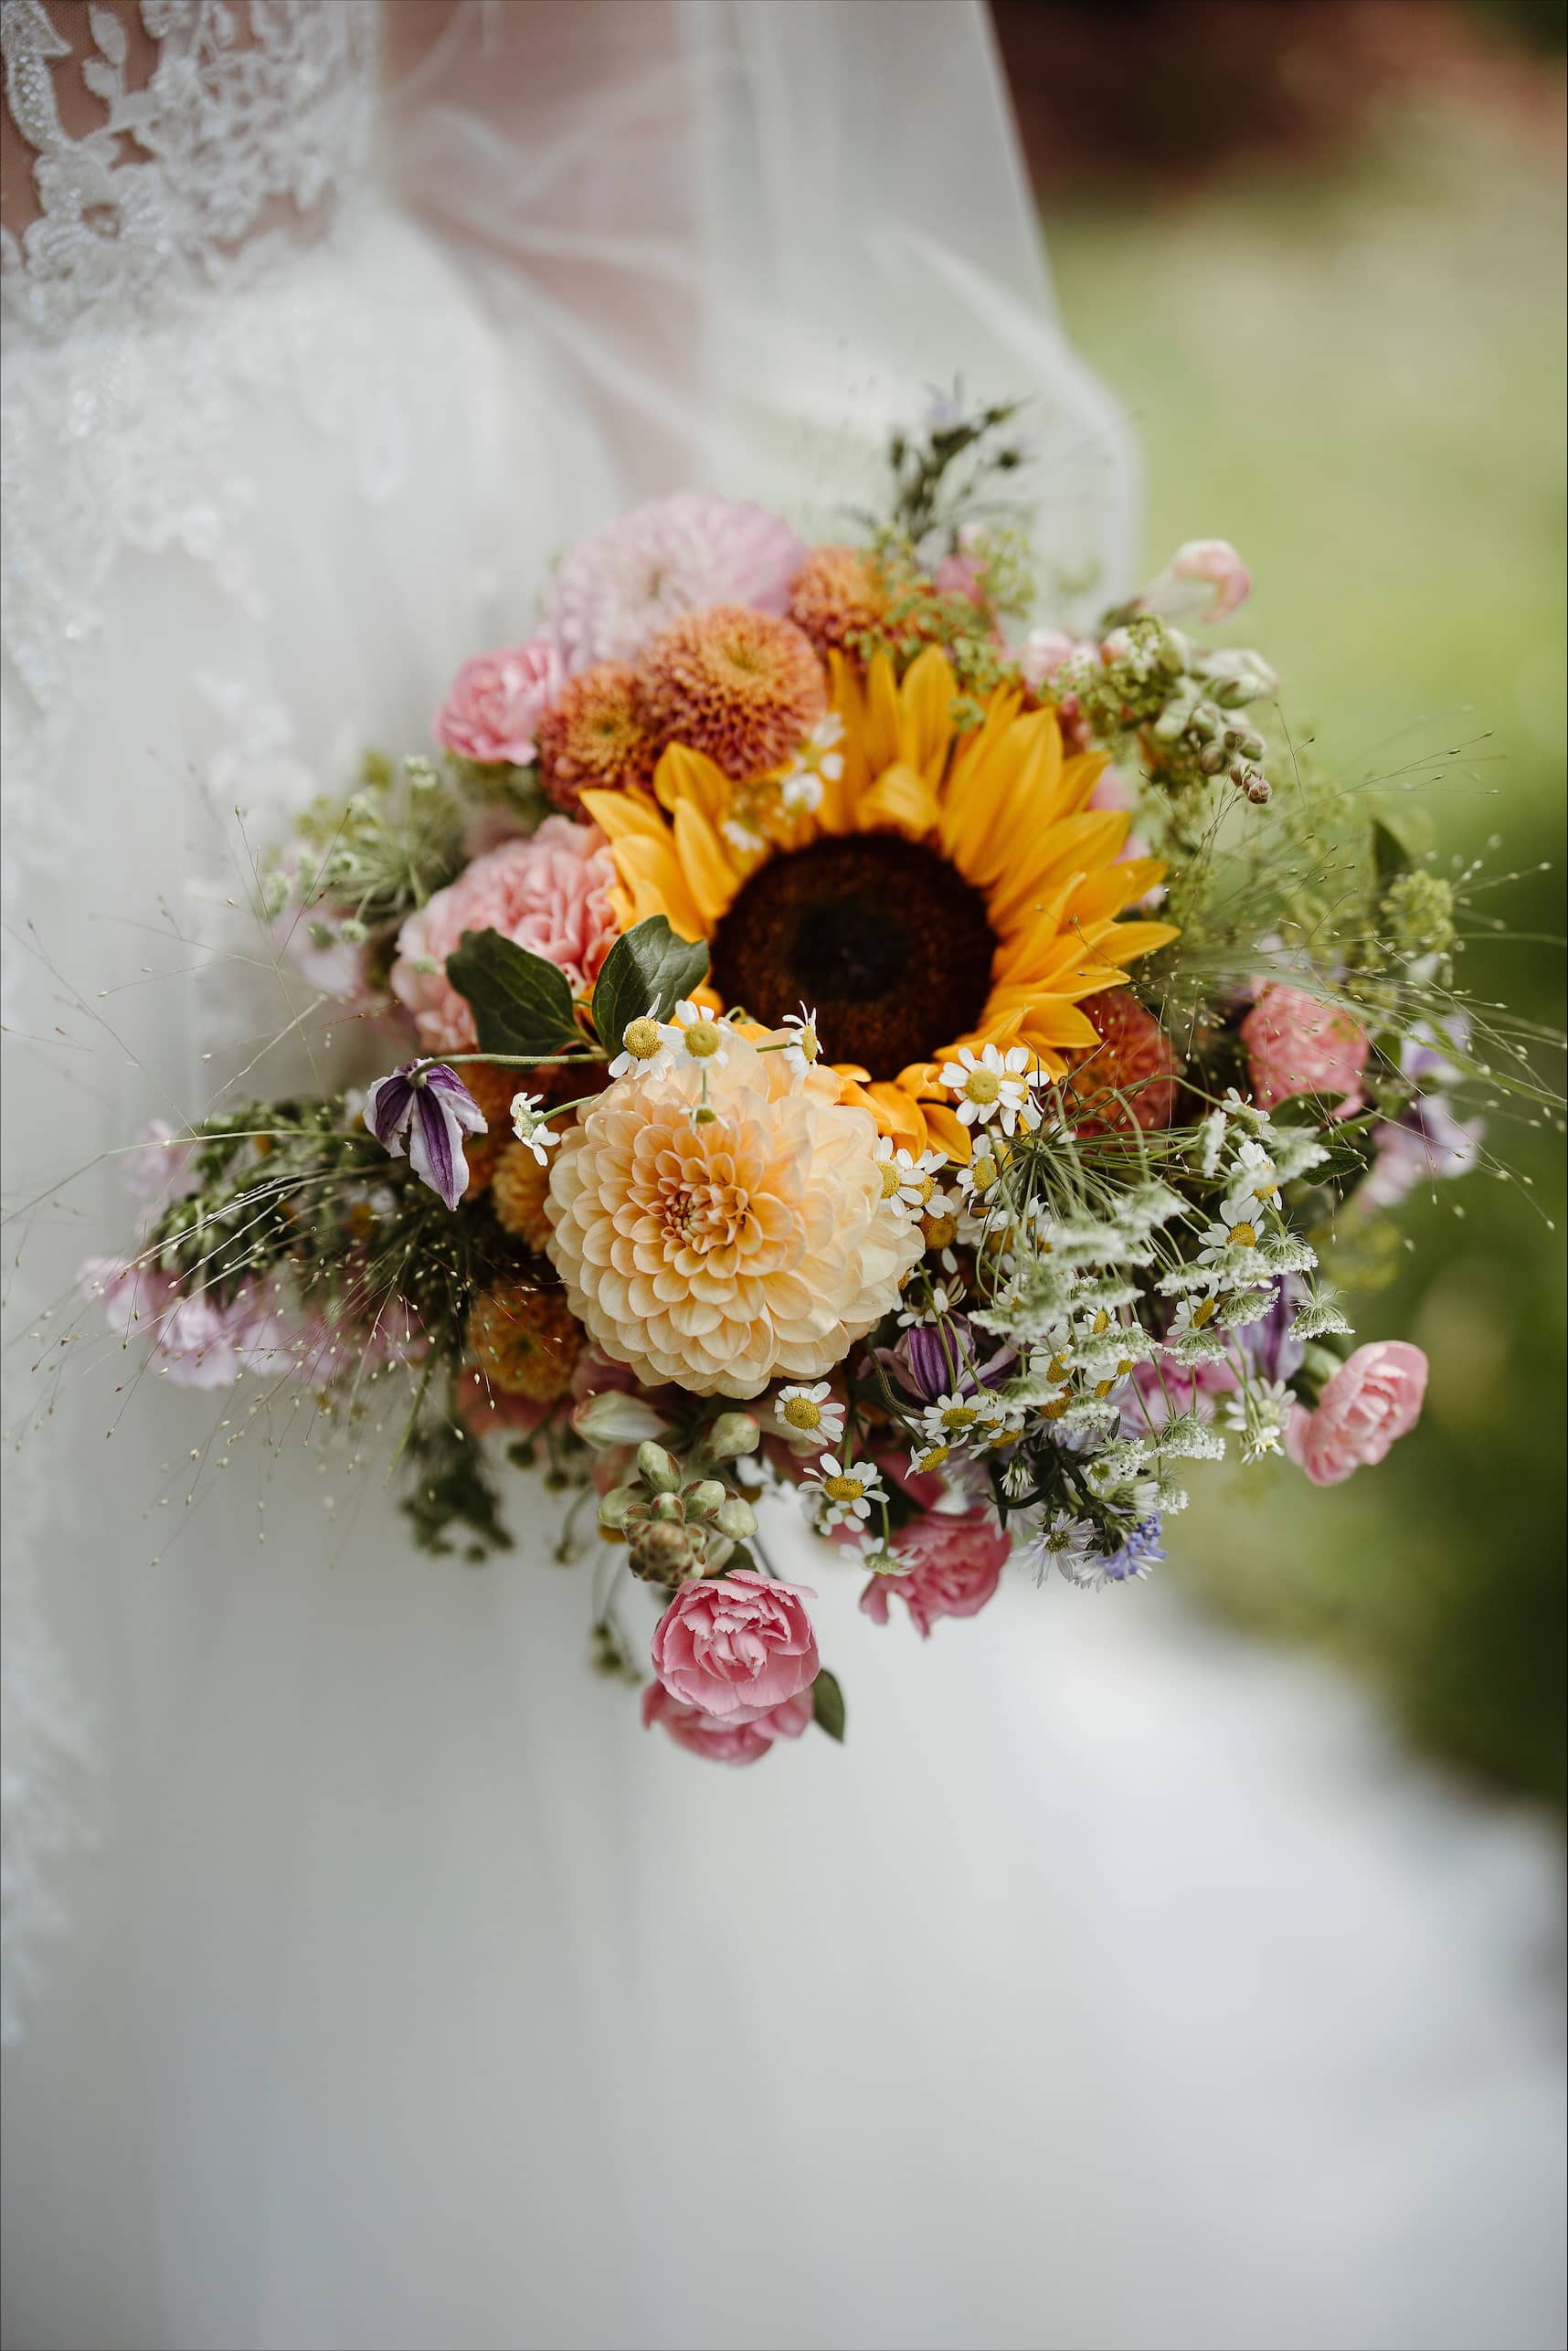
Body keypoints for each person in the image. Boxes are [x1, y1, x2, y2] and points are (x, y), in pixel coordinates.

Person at [3, 6, 1562, 2347]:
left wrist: (657, 821)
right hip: (186, 606)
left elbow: (589, 87)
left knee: (359, 1581)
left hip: (284, 583)